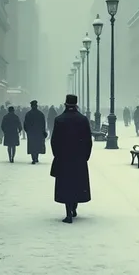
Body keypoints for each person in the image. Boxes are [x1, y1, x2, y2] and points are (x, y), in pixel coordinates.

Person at [51, 94, 92, 223]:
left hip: (64, 158)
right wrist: (85, 156)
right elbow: (88, 140)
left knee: (66, 185)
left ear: (65, 104)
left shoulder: (59, 119)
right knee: (77, 184)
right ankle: (74, 207)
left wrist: (57, 155)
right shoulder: (83, 119)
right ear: (76, 104)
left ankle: (68, 212)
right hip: (78, 158)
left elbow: (54, 141)